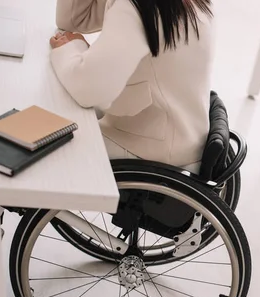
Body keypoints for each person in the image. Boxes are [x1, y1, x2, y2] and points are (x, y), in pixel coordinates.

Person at [49, 0, 214, 173]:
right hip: (175, 136)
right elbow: (73, 21)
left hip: (151, 151)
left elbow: (88, 90)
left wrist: (71, 48)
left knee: (46, 148)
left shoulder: (139, 6)